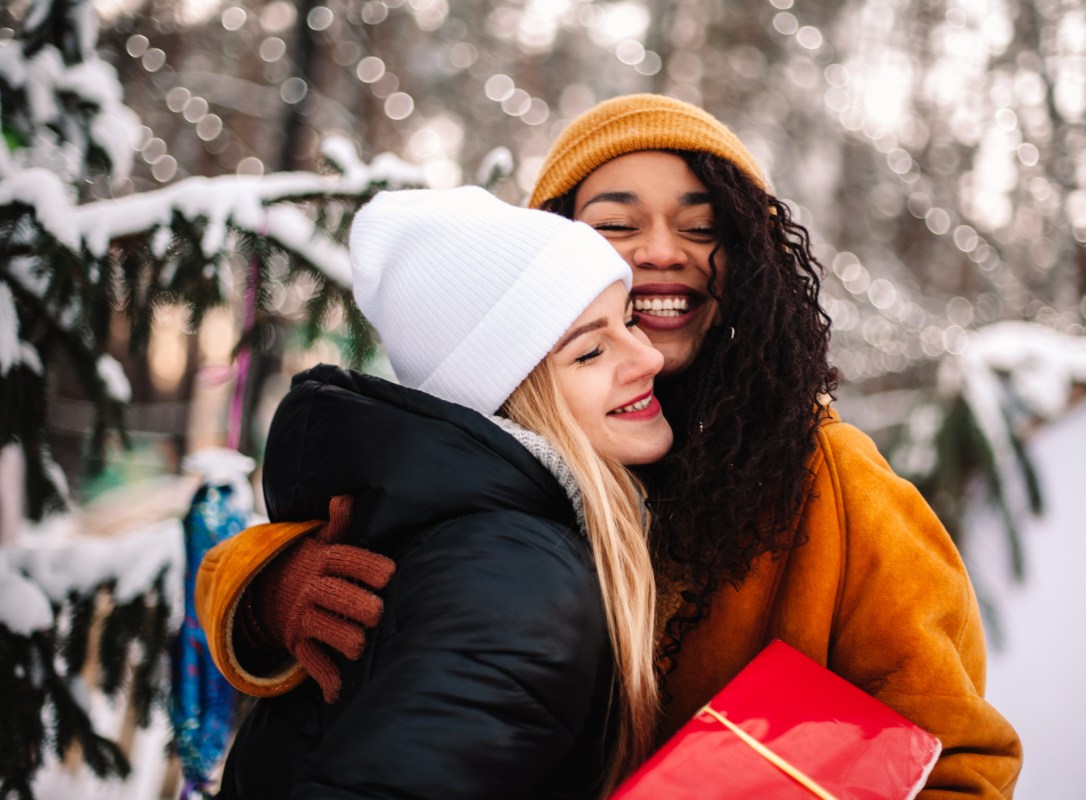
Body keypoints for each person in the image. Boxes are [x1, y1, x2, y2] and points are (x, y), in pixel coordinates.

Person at [201, 95, 1023, 798]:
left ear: (750, 262)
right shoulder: (512, 442)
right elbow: (394, 519)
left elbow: (961, 761)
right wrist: (272, 593)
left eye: (702, 228)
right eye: (618, 223)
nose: (662, 250)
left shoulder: (830, 477)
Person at [196, 185, 674, 799]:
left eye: (630, 320)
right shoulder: (518, 574)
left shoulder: (481, 535)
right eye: (590, 352)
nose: (650, 357)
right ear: (512, 399)